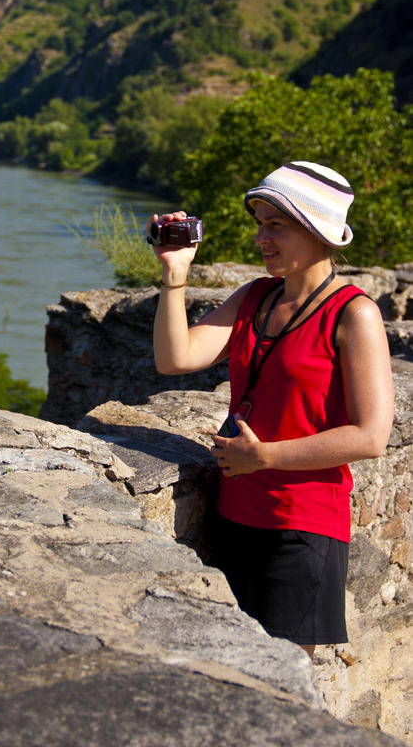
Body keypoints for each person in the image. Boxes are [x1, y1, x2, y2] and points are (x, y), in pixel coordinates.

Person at [148, 161, 394, 658]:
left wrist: (266, 457)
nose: (261, 236)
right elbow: (175, 359)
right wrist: (175, 275)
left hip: (301, 529)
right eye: (259, 222)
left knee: (285, 687)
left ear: (317, 229)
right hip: (233, 514)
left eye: (276, 224)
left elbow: (371, 436)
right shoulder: (255, 296)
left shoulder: (353, 314)